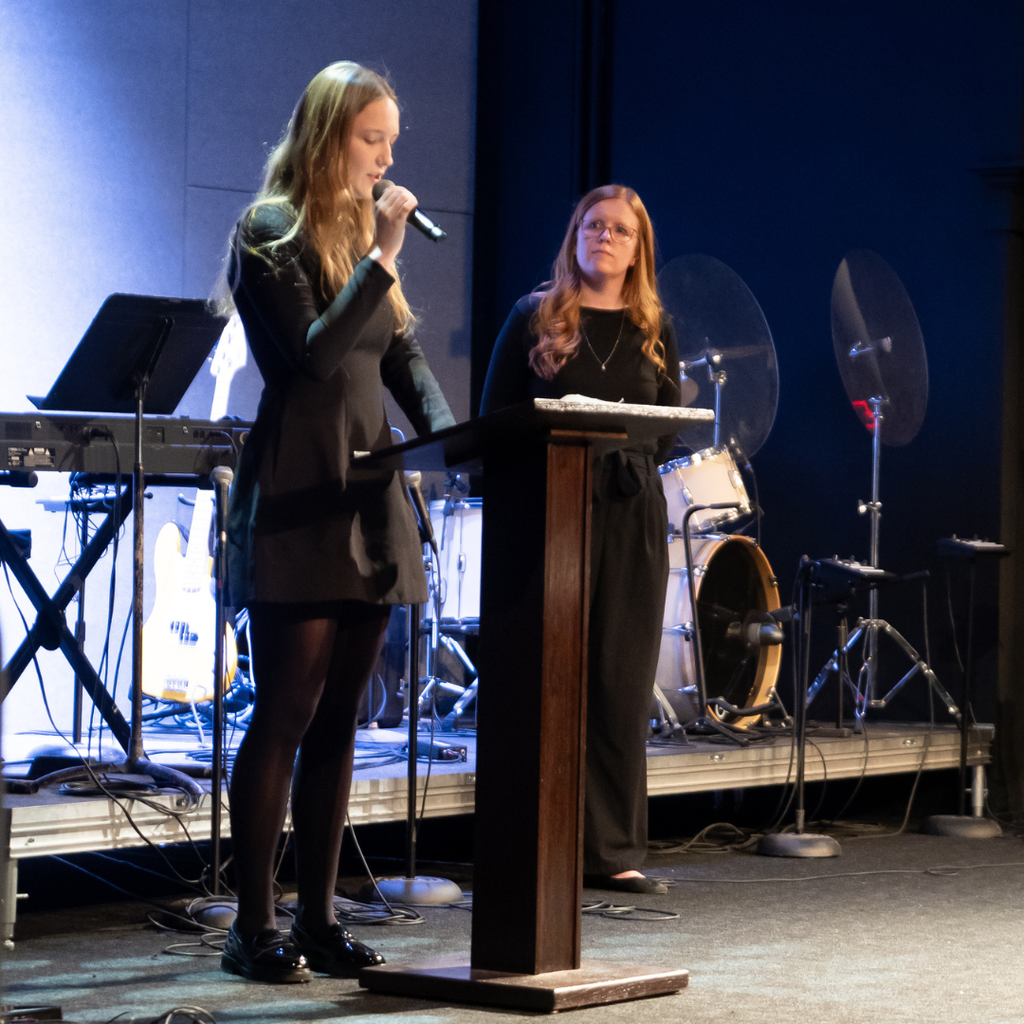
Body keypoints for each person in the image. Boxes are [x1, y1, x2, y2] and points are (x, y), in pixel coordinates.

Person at [217, 62, 455, 982]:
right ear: (328, 137)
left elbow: (403, 360)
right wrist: (383, 256)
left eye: (393, 141)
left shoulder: (362, 242)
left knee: (341, 724)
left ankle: (317, 919)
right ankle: (254, 927)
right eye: (373, 140)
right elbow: (312, 363)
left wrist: (462, 441)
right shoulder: (270, 230)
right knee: (286, 709)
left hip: (371, 493)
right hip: (300, 490)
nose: (389, 159)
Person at [479, 184, 681, 895]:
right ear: (575, 237)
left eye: (620, 230)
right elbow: (492, 421)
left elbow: (664, 431)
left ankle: (612, 850)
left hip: (628, 515)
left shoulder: (653, 328)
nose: (604, 237)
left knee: (619, 682)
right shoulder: (534, 316)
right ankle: (536, 841)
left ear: (638, 249)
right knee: (547, 676)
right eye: (592, 225)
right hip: (550, 509)